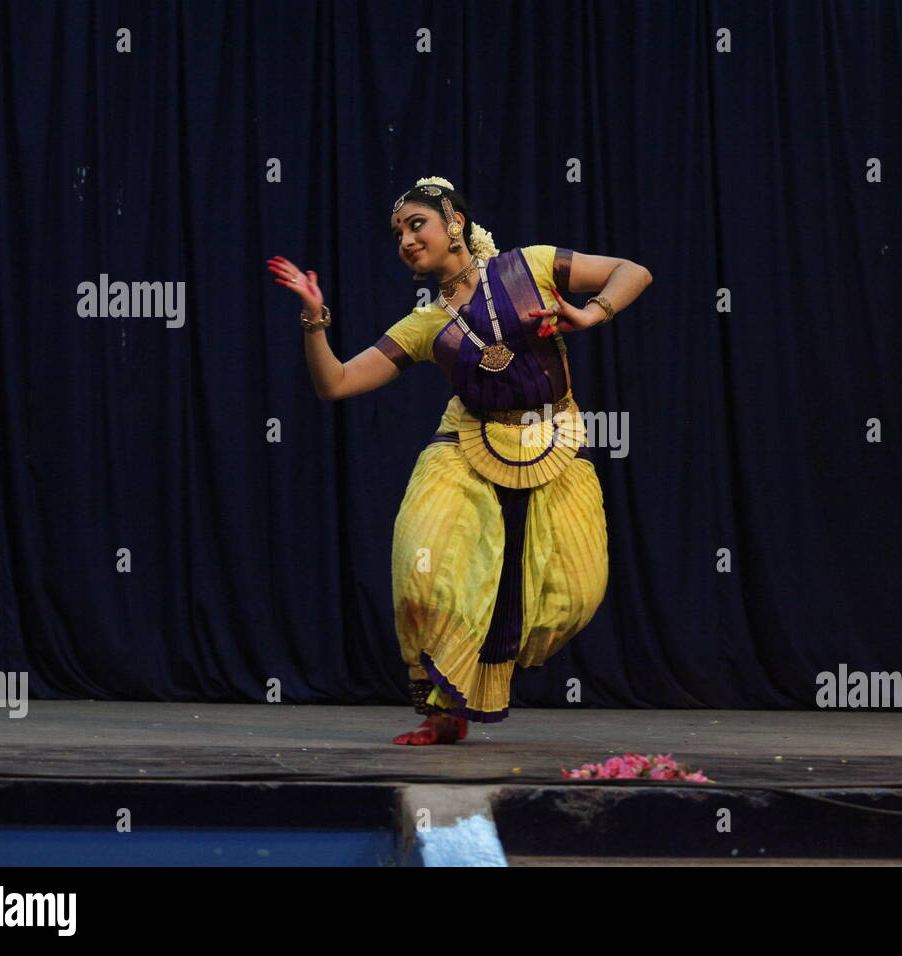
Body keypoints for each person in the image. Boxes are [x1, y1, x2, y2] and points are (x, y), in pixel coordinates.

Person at [267, 175, 652, 744]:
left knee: (575, 593)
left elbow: (633, 272)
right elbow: (337, 383)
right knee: (426, 578)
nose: (405, 240)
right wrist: (313, 317)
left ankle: (487, 665)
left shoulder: (533, 267)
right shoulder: (426, 325)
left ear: (454, 223)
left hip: (555, 438)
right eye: (397, 232)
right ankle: (444, 713)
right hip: (466, 446)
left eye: (415, 224)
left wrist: (593, 313)